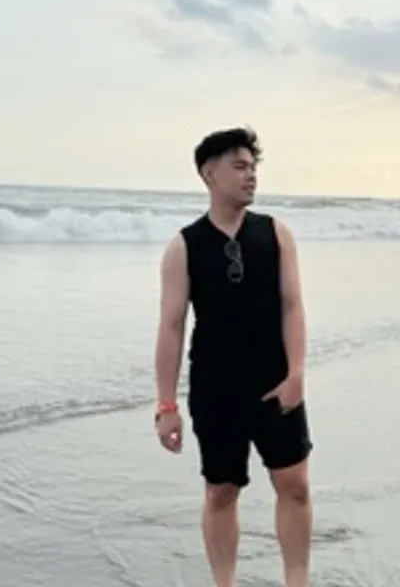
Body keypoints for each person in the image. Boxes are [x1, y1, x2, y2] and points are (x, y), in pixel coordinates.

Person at [153, 126, 313, 587]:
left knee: (295, 486)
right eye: (240, 167)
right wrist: (167, 404)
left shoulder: (275, 233)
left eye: (253, 167)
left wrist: (296, 374)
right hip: (215, 390)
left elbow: (292, 305)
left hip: (275, 382)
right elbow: (171, 327)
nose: (251, 175)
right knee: (221, 491)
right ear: (209, 174)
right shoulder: (184, 245)